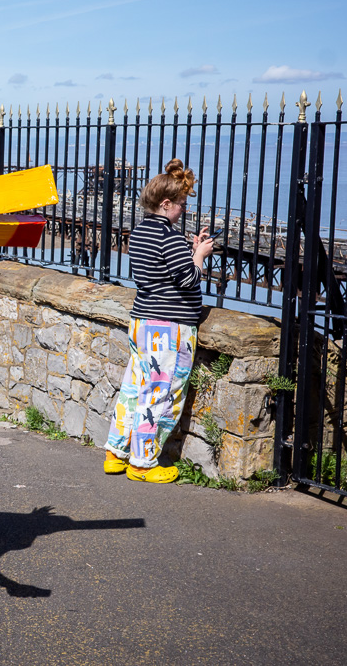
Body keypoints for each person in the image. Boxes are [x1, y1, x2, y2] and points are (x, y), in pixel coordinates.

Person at [104, 158, 214, 483]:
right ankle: (142, 463)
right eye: (181, 205)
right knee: (161, 394)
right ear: (166, 204)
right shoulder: (170, 238)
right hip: (170, 328)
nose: (183, 211)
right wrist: (199, 255)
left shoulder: (137, 234)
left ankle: (116, 453)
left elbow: (160, 274)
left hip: (142, 322)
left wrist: (189, 251)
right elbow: (188, 279)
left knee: (134, 388)